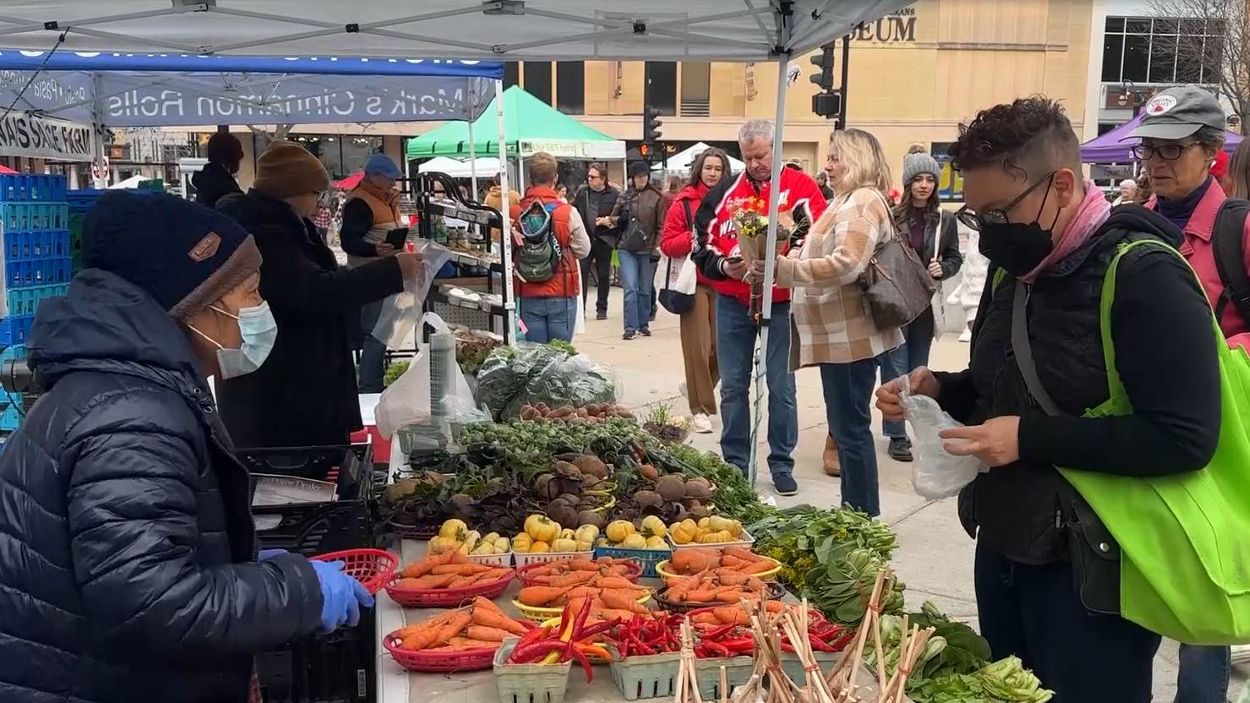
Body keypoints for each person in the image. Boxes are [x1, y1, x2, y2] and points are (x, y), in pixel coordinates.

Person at [876, 96, 1221, 701]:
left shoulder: (1144, 274)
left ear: (1061, 185)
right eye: (977, 216)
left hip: (1095, 572)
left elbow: (1184, 437)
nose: (989, 235)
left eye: (1000, 214)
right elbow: (1000, 382)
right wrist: (944, 388)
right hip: (1006, 543)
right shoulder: (1017, 270)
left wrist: (1027, 438)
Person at [0, 190, 373, 702]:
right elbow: (152, 603)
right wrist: (298, 592)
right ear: (195, 303)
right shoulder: (132, 417)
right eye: (251, 293)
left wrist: (240, 563)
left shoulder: (133, 392)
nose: (261, 310)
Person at [1128, 85, 1250, 701]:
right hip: (1142, 433)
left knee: (1206, 588)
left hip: (1216, 436)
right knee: (1140, 581)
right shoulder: (1127, 222)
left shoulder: (1239, 228)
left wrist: (1221, 357)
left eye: (1172, 149)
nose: (1156, 162)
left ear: (1212, 153)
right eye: (1149, 148)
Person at [215, 142, 418, 448]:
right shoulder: (268, 233)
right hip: (284, 395)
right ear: (292, 190)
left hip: (292, 387)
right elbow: (314, 290)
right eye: (316, 194)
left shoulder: (284, 226)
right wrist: (392, 271)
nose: (319, 203)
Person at [762, 129, 902, 516]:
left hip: (850, 338)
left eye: (835, 157)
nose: (827, 165)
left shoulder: (862, 201)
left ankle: (861, 518)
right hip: (840, 337)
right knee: (847, 430)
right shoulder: (846, 200)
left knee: (850, 432)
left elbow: (848, 264)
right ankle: (855, 514)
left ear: (857, 160)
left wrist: (786, 270)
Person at [693, 119, 827, 497]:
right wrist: (724, 265)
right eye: (748, 157)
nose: (754, 164)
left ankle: (781, 462)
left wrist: (790, 258)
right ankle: (736, 461)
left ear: (776, 148)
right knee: (733, 385)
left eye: (761, 156)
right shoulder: (724, 192)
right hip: (733, 301)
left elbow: (817, 236)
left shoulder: (801, 187)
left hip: (781, 304)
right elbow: (700, 243)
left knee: (781, 386)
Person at [878, 149, 963, 462]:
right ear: (908, 183)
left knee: (917, 371)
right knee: (895, 368)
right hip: (897, 302)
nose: (924, 185)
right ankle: (896, 434)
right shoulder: (892, 217)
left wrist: (945, 268)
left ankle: (913, 426)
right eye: (918, 179)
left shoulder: (944, 220)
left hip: (925, 305)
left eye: (929, 179)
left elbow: (954, 257)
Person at [661, 147, 730, 435]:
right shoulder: (685, 202)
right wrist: (693, 237)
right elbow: (667, 244)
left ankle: (695, 387)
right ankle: (700, 407)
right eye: (708, 168)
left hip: (727, 282)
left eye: (718, 168)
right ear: (699, 169)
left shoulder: (734, 201)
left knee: (724, 350)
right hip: (695, 282)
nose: (712, 173)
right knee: (698, 348)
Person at [340, 153, 405, 393]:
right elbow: (349, 241)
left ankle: (372, 383)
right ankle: (370, 386)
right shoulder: (360, 203)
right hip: (370, 276)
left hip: (384, 273)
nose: (392, 183)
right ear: (373, 176)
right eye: (388, 178)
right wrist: (374, 249)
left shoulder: (385, 199)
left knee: (380, 332)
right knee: (376, 333)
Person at [512, 151, 591, 343]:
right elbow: (584, 249)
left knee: (535, 354)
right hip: (561, 291)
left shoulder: (515, 212)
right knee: (560, 353)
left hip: (527, 292)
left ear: (530, 178)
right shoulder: (567, 212)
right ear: (555, 179)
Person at [610, 161, 669, 340]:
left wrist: (656, 250)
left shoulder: (657, 198)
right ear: (632, 178)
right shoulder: (624, 196)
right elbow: (613, 218)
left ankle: (643, 324)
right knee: (630, 287)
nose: (641, 179)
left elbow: (661, 226)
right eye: (637, 177)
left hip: (647, 249)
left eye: (644, 176)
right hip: (626, 247)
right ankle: (630, 327)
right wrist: (620, 218)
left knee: (644, 289)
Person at [572, 162, 621, 320]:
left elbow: (621, 215)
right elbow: (574, 209)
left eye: (593, 177)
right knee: (582, 273)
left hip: (604, 239)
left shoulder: (614, 194)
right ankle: (581, 309)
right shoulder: (583, 191)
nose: (590, 180)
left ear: (603, 179)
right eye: (588, 177)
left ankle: (602, 309)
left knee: (603, 275)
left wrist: (609, 221)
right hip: (585, 238)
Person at [193, 131, 244, 208]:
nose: (239, 162)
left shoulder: (206, 180)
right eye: (237, 158)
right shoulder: (224, 187)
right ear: (229, 158)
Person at [484, 172, 522, 241]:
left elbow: (486, 215)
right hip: (511, 231)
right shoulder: (515, 195)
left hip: (494, 232)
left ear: (495, 182)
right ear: (507, 180)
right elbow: (520, 213)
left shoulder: (488, 197)